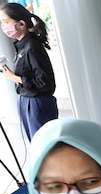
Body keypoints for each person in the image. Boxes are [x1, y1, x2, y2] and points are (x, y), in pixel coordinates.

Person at [1, 2, 58, 141]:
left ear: (21, 24)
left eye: (6, 22)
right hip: (27, 101)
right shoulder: (22, 45)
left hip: (37, 103)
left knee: (43, 145)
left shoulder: (32, 47)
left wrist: (15, 78)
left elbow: (45, 82)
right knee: (36, 143)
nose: (4, 26)